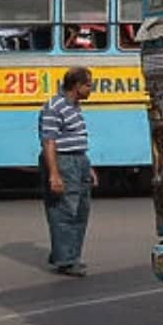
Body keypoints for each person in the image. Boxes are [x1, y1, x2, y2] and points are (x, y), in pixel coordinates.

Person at [39, 67, 97, 277]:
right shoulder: (54, 107)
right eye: (88, 85)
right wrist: (54, 174)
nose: (91, 89)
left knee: (81, 211)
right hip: (63, 162)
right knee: (64, 211)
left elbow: (77, 139)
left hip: (78, 160)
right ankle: (65, 260)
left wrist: (88, 167)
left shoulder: (75, 106)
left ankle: (68, 254)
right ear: (76, 86)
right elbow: (49, 142)